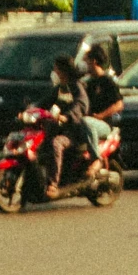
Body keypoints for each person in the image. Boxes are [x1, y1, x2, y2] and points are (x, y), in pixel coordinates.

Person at [43, 55, 90, 194]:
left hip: (74, 132)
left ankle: (53, 183)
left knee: (56, 144)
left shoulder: (76, 87)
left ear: (63, 71)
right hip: (58, 129)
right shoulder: (60, 87)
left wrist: (67, 117)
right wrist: (29, 111)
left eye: (56, 68)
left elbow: (81, 105)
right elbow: (44, 102)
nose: (54, 71)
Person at [78, 44, 122, 175]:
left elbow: (118, 104)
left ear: (94, 61)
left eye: (86, 60)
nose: (85, 64)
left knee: (86, 122)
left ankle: (96, 158)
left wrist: (101, 116)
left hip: (103, 125)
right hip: (89, 121)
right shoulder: (88, 83)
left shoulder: (107, 81)